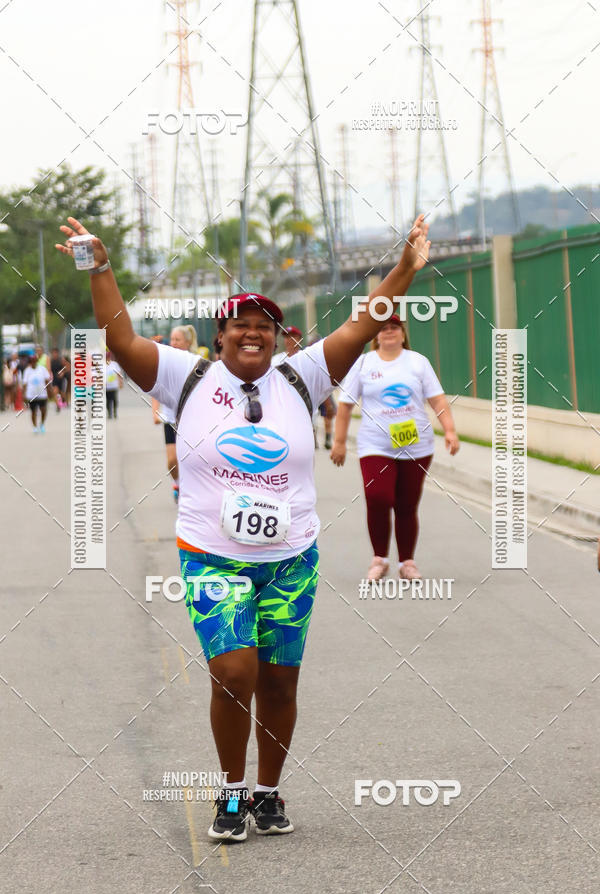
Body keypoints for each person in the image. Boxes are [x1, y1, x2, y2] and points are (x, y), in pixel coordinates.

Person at [56, 213, 431, 843]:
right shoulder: (188, 376)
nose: (251, 335)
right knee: (234, 672)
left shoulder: (301, 376)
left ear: (279, 337)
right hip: (213, 555)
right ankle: (231, 792)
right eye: (239, 327)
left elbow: (362, 321)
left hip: (292, 557)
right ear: (220, 335)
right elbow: (118, 341)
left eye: (263, 327)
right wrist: (100, 267)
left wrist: (404, 270)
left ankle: (267, 792)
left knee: (281, 680)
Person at [331, 315, 459, 580]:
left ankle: (407, 562)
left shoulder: (417, 362)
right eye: (383, 328)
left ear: (402, 333)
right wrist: (340, 442)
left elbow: (437, 399)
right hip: (374, 444)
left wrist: (449, 430)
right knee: (378, 497)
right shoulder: (365, 363)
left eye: (394, 327)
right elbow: (345, 406)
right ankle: (379, 559)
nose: (388, 332)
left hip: (416, 445)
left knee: (406, 505)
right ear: (375, 336)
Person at [151, 326, 197, 502]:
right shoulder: (166, 362)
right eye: (172, 339)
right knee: (172, 461)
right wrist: (155, 412)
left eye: (177, 339)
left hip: (191, 420)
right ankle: (177, 483)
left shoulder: (196, 362)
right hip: (170, 419)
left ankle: (189, 490)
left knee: (190, 460)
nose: (174, 343)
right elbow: (155, 387)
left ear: (187, 342)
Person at [22, 354, 52, 433]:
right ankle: (35, 427)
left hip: (42, 394)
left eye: (34, 361)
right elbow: (24, 385)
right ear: (29, 362)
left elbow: (47, 381)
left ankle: (42, 424)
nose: (33, 363)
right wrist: (24, 396)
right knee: (33, 411)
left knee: (43, 410)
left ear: (37, 361)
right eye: (31, 361)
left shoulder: (42, 369)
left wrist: (50, 391)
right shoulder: (27, 371)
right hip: (31, 395)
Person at [105, 350, 124, 419]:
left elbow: (119, 374)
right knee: (108, 400)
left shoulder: (114, 364)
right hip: (106, 386)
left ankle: (115, 412)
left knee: (114, 399)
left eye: (108, 357)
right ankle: (109, 413)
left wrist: (120, 382)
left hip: (114, 385)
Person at [49, 347, 67, 412]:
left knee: (62, 393)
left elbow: (66, 368)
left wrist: (63, 373)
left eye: (55, 353)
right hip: (55, 379)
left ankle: (64, 401)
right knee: (55, 392)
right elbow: (49, 369)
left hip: (61, 379)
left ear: (58, 353)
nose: (54, 354)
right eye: (53, 353)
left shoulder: (61, 360)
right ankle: (58, 405)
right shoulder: (51, 361)